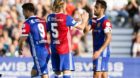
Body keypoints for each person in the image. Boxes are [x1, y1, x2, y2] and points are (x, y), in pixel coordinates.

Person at [46, 0, 89, 78]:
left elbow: (47, 30)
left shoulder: (49, 17)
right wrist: (85, 20)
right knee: (66, 72)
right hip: (64, 49)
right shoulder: (66, 18)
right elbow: (82, 27)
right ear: (63, 6)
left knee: (57, 73)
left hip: (54, 49)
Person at [18, 3, 50, 78]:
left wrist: (19, 48)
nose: (23, 14)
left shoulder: (27, 23)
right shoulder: (42, 20)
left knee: (44, 74)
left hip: (38, 52)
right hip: (47, 50)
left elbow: (23, 38)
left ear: (27, 11)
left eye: (23, 12)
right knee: (33, 72)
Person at [86, 0, 112, 78]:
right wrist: (85, 21)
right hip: (96, 51)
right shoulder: (93, 20)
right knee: (104, 75)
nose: (94, 9)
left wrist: (99, 51)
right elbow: (85, 31)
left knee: (96, 75)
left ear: (102, 9)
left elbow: (109, 38)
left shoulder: (105, 22)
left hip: (102, 52)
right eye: (94, 7)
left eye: (96, 7)